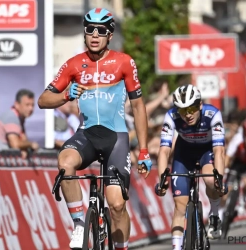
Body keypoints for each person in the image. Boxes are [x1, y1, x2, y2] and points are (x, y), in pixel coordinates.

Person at [38, 8, 152, 250]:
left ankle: (121, 246)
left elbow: (139, 107)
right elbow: (43, 99)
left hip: (116, 137)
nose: (95, 35)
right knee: (65, 162)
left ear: (110, 35)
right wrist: (66, 95)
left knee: (117, 205)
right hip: (87, 134)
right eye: (90, 29)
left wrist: (143, 150)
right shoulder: (73, 64)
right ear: (85, 33)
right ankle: (80, 224)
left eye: (101, 30)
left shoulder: (124, 62)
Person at [155, 84, 227, 250]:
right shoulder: (171, 116)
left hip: (206, 151)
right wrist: (162, 179)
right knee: (180, 205)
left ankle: (214, 214)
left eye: (192, 108)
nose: (187, 114)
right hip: (184, 152)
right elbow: (164, 151)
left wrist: (220, 179)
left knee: (211, 180)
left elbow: (219, 150)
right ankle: (177, 247)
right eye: (182, 110)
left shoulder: (213, 114)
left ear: (200, 105)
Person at [0, 89, 39, 156]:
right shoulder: (11, 117)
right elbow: (15, 144)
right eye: (27, 105)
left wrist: (25, 148)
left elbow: (23, 140)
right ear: (16, 104)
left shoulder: (20, 118)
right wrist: (31, 144)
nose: (31, 108)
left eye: (32, 105)